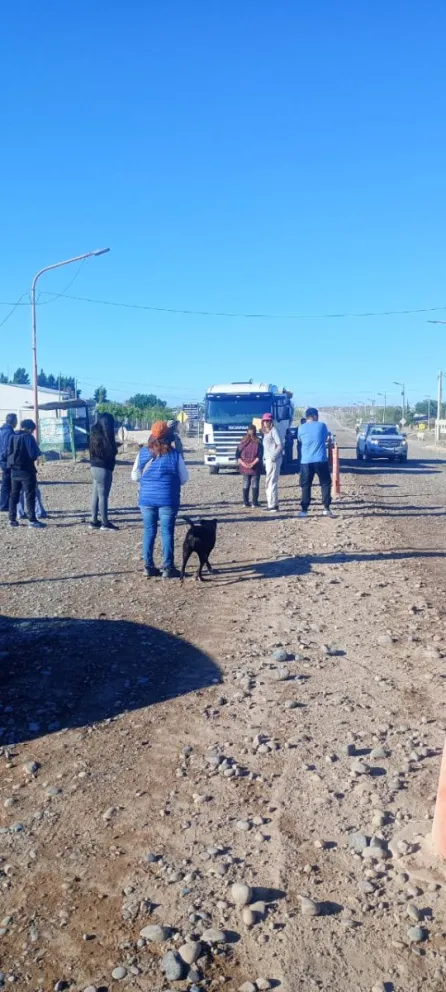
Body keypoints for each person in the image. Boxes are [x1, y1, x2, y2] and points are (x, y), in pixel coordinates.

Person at [133, 420, 188, 578]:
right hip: (168, 499)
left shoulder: (143, 453)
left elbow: (134, 475)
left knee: (149, 531)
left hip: (146, 500)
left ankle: (148, 566)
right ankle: (168, 567)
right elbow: (184, 478)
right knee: (167, 532)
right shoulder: (175, 455)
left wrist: (148, 481)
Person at [7, 419, 44, 529]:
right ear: (29, 429)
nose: (32, 432)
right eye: (32, 430)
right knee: (30, 495)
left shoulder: (12, 436)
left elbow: (7, 453)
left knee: (14, 495)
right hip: (27, 471)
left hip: (13, 470)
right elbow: (33, 454)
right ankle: (32, 520)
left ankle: (12, 520)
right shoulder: (28, 437)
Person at [297, 407, 333, 518]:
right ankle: (326, 508)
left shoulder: (301, 428)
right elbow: (326, 438)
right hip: (320, 459)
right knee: (325, 483)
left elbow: (300, 440)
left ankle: (304, 510)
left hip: (306, 461)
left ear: (306, 416)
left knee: (306, 485)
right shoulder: (322, 426)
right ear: (315, 416)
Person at [88, 412, 119, 531]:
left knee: (95, 495)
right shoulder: (107, 435)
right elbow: (111, 452)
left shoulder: (94, 434)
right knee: (103, 496)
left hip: (94, 467)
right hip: (104, 468)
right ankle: (105, 523)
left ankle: (94, 520)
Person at [236, 424, 262, 507]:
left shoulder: (242, 442)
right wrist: (252, 464)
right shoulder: (258, 442)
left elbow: (237, 455)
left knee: (245, 483)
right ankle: (254, 502)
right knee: (255, 484)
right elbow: (260, 456)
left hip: (244, 468)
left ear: (246, 431)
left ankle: (245, 502)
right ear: (255, 431)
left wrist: (244, 464)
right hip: (255, 467)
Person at [261, 413, 283, 512]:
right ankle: (272, 503)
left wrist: (274, 456)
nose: (266, 422)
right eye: (264, 421)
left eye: (268, 421)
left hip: (273, 460)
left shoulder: (274, 431)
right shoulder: (266, 433)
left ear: (271, 421)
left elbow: (280, 445)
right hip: (268, 460)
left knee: (271, 482)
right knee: (268, 482)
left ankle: (272, 505)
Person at [0, 413, 18, 511]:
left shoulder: (2, 431)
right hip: (7, 461)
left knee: (6, 483)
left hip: (3, 460)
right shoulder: (9, 432)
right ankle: (4, 505)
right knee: (7, 483)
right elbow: (8, 448)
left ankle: (4, 504)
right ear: (14, 421)